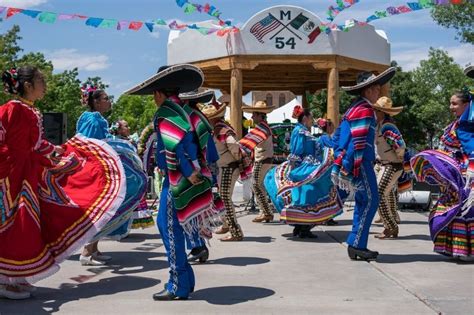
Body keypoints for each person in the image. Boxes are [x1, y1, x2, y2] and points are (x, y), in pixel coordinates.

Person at [0, 66, 126, 299]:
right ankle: (6, 281)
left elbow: (36, 145)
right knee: (15, 224)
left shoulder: (30, 110)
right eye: (40, 80)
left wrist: (58, 151)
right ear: (27, 85)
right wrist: (8, 162)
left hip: (29, 174)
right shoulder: (12, 109)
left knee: (25, 225)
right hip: (12, 175)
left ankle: (15, 277)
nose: (45, 84)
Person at [125, 64, 216, 301]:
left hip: (177, 180)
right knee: (172, 226)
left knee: (169, 228)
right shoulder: (183, 110)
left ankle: (178, 284)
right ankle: (186, 280)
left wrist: (187, 171)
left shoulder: (166, 111)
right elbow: (199, 144)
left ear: (157, 93)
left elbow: (174, 146)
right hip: (185, 176)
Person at [331, 67, 396, 261]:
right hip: (361, 163)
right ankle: (357, 244)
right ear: (367, 90)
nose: (379, 91)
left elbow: (337, 138)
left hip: (357, 161)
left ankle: (356, 243)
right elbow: (357, 143)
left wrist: (342, 160)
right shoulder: (366, 109)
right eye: (376, 88)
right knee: (370, 201)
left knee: (363, 202)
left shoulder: (354, 108)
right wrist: (350, 164)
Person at [76, 86, 147, 264]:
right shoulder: (93, 119)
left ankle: (93, 249)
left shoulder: (98, 118)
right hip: (97, 170)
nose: (109, 101)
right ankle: (86, 251)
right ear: (97, 101)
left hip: (101, 168)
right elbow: (91, 144)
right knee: (100, 208)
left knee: (105, 208)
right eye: (106, 98)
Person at [410, 69, 473, 260]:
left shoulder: (468, 125)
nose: (451, 107)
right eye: (450, 103)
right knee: (454, 207)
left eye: (455, 104)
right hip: (460, 174)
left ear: (467, 104)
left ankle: (465, 251)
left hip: (469, 173)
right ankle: (459, 249)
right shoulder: (459, 125)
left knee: (465, 208)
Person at [264, 106, 343, 238]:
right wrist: (295, 169)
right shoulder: (300, 131)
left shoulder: (302, 131)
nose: (312, 121)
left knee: (305, 196)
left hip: (306, 166)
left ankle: (300, 227)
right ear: (305, 118)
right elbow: (297, 151)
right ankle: (303, 228)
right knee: (308, 196)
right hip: (305, 168)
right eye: (311, 118)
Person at [179, 88, 224, 262]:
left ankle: (198, 246)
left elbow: (192, 147)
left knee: (193, 209)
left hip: (196, 169)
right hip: (205, 166)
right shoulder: (198, 116)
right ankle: (199, 245)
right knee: (198, 209)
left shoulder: (189, 116)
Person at [202, 101, 248, 241]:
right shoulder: (219, 128)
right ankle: (227, 225)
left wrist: (237, 157)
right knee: (223, 197)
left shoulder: (221, 129)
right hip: (226, 167)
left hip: (229, 167)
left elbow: (233, 144)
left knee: (225, 199)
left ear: (212, 118)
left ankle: (236, 232)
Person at [372, 97, 406, 239]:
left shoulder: (387, 126)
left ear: (381, 111)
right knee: (382, 194)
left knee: (379, 194)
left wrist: (398, 158)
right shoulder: (381, 125)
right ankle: (391, 226)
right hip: (386, 165)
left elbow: (400, 145)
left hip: (392, 165)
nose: (373, 112)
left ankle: (391, 227)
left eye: (375, 110)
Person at [239, 101, 277, 223]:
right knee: (260, 186)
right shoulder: (264, 127)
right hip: (265, 160)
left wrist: (237, 147)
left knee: (255, 185)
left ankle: (266, 212)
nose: (252, 117)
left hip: (262, 161)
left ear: (260, 115)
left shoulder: (262, 128)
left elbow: (248, 141)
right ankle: (265, 212)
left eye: (254, 114)